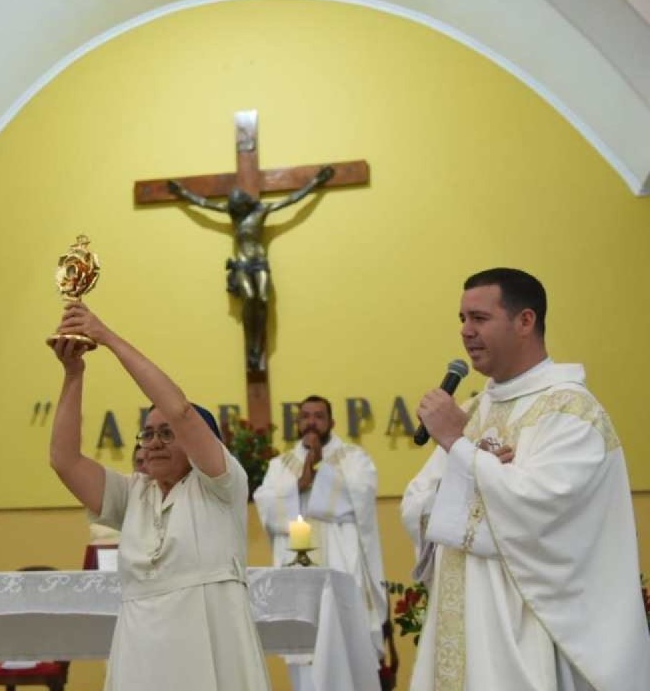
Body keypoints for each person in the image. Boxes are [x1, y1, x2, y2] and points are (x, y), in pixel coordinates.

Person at [402, 268, 650, 690]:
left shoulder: (570, 412)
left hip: (522, 627)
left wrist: (459, 448)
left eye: (479, 318)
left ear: (525, 321)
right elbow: (418, 503)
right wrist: (478, 464)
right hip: (461, 617)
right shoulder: (474, 410)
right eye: (461, 319)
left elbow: (542, 511)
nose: (466, 331)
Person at [48, 301, 270, 691]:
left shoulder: (221, 484)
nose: (153, 443)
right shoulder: (134, 494)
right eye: (147, 433)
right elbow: (64, 460)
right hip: (142, 646)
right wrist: (73, 372)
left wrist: (109, 339)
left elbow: (181, 410)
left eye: (167, 434)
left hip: (209, 641)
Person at [253, 395, 385, 691]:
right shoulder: (281, 465)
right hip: (297, 572)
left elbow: (360, 497)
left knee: (345, 650)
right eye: (306, 416)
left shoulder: (353, 458)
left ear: (331, 422)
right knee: (305, 659)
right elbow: (265, 506)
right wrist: (297, 486)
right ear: (297, 423)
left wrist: (319, 473)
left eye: (319, 416)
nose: (312, 422)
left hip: (341, 562)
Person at [166, 166, 332, 372]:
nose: (237, 208)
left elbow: (291, 200)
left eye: (239, 204)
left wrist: (315, 183)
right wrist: (182, 193)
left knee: (262, 299)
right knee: (249, 298)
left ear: (245, 202)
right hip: (242, 264)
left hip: (260, 262)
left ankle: (257, 346)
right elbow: (205, 205)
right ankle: (251, 347)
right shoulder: (233, 215)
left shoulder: (261, 211)